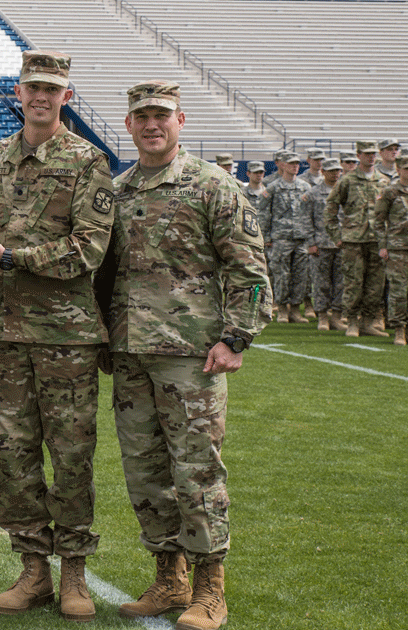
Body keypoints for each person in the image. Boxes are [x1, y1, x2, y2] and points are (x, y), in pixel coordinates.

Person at [104, 81, 271, 630]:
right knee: (145, 473)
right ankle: (169, 577)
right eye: (142, 117)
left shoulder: (211, 185)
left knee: (197, 471)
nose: (152, 125)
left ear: (181, 120)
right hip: (129, 353)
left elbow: (249, 270)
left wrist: (237, 337)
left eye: (162, 116)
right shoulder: (119, 189)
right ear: (128, 126)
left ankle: (209, 589)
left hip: (190, 357)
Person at [0, 50, 115, 622]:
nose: (41, 97)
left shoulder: (88, 161)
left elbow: (89, 250)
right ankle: (32, 568)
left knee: (72, 453)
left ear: (66, 98)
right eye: (33, 87)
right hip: (6, 333)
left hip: (67, 334)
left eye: (52, 89)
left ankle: (74, 571)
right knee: (14, 454)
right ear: (19, 91)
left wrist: (11, 259)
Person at [326, 141, 388, 338]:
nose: (371, 157)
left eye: (373, 153)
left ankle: (368, 322)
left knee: (375, 284)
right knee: (353, 282)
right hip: (353, 240)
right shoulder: (347, 180)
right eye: (366, 153)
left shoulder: (384, 182)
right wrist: (336, 236)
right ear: (359, 155)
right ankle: (352, 321)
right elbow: (330, 209)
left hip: (377, 241)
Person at [259, 151, 310, 323]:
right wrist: (265, 237)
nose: (295, 167)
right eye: (291, 164)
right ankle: (281, 308)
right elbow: (264, 213)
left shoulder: (305, 187)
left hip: (301, 237)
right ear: (283, 165)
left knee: (300, 275)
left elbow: (310, 213)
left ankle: (295, 309)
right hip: (281, 237)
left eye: (297, 164)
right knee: (281, 275)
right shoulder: (273, 187)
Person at [375, 153, 408, 346]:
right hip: (397, 247)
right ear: (399, 170)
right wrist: (383, 245)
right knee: (399, 289)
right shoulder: (390, 191)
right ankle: (399, 329)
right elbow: (379, 220)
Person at [303, 159, 345, 331]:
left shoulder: (345, 191)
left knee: (341, 283)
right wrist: (310, 243)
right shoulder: (313, 193)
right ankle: (322, 316)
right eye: (331, 170)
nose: (335, 174)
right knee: (321, 283)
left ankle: (336, 316)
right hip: (321, 244)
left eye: (338, 170)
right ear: (323, 172)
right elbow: (305, 219)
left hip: (342, 243)